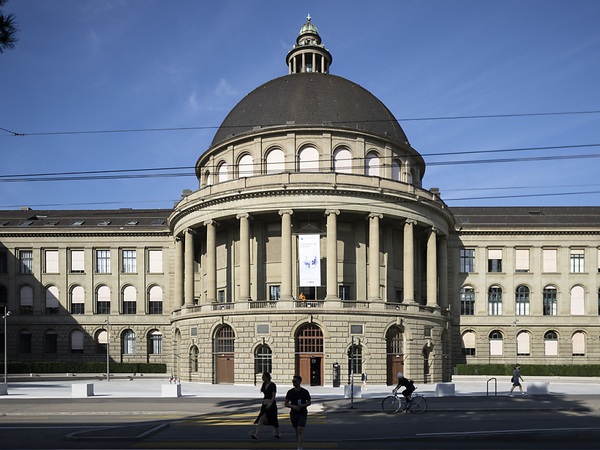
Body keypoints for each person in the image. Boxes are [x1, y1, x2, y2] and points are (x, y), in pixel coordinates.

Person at [285, 375, 311, 450]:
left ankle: (299, 447)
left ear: (299, 382)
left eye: (295, 381)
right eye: (293, 381)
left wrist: (302, 405)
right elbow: (286, 403)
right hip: (293, 413)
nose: (293, 383)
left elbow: (309, 402)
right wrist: (292, 406)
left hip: (302, 413)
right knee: (296, 431)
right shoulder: (290, 392)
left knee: (300, 430)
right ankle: (299, 444)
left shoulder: (304, 392)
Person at [251, 372, 280, 440]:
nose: (262, 378)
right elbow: (265, 394)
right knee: (261, 419)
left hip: (271, 405)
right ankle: (256, 435)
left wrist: (270, 403)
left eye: (263, 376)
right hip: (264, 404)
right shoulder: (264, 384)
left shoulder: (272, 385)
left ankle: (278, 433)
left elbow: (273, 396)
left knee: (274, 420)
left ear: (267, 377)